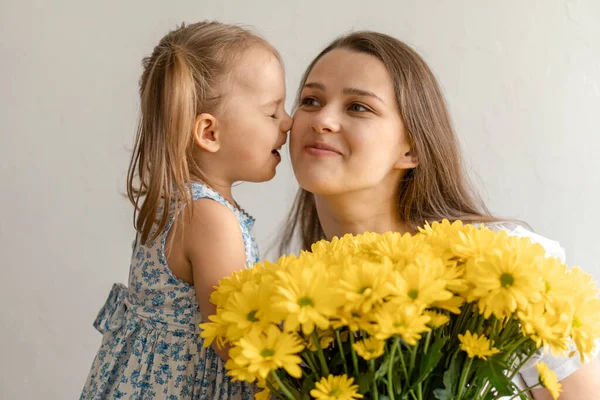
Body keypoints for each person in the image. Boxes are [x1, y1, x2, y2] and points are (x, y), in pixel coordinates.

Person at [281, 30, 600, 399]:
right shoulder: (294, 306)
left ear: (411, 149)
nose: (322, 120)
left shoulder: (506, 265)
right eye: (310, 100)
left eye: (358, 107)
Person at [81, 21, 291, 399]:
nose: (289, 123)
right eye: (273, 113)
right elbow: (232, 339)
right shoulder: (210, 219)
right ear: (209, 133)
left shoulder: (178, 202)